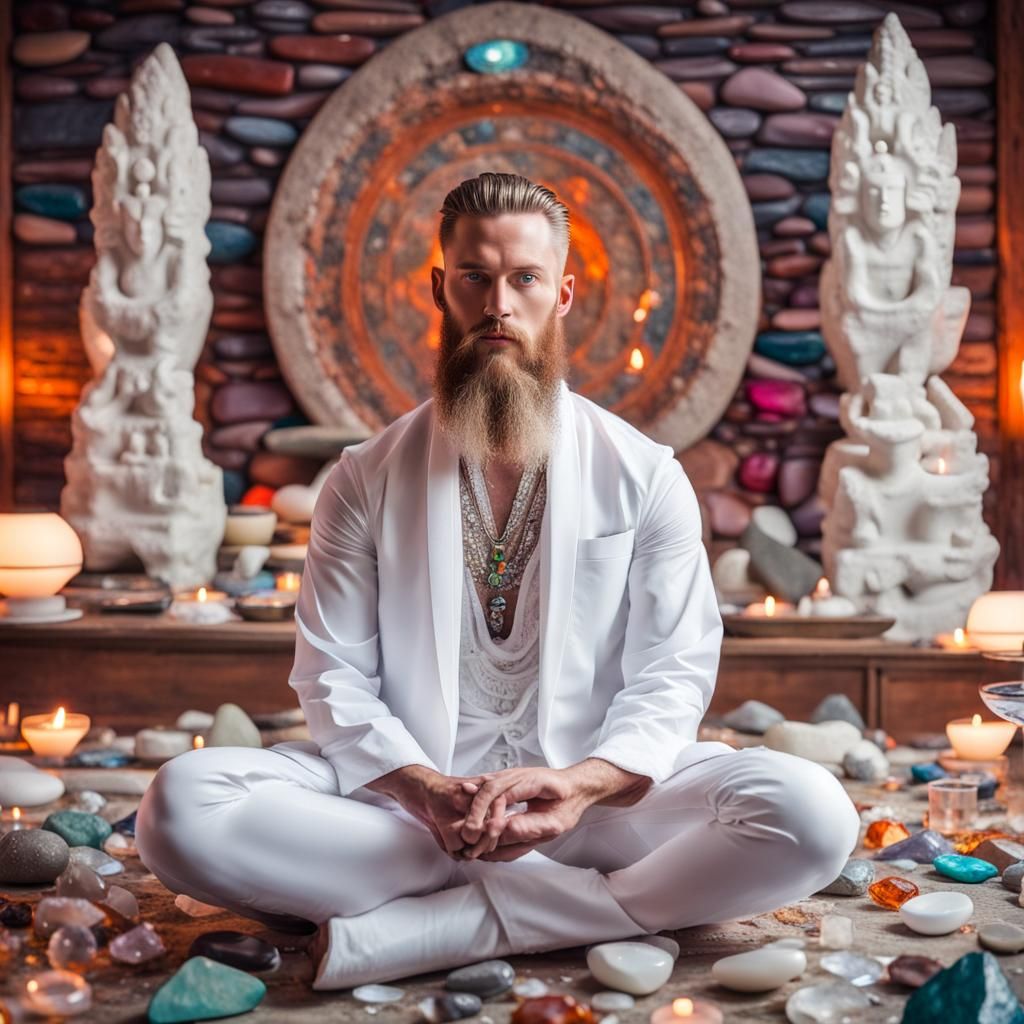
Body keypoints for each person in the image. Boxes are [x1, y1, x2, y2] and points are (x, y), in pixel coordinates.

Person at [136, 172, 860, 990]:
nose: (499, 305)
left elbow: (673, 673)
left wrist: (581, 785)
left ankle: (451, 923)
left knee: (812, 814)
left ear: (563, 294)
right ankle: (594, 910)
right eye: (475, 277)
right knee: (180, 809)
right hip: (410, 816)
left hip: (593, 810)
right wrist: (426, 789)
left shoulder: (645, 473)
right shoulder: (364, 477)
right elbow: (332, 674)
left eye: (525, 279)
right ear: (440, 288)